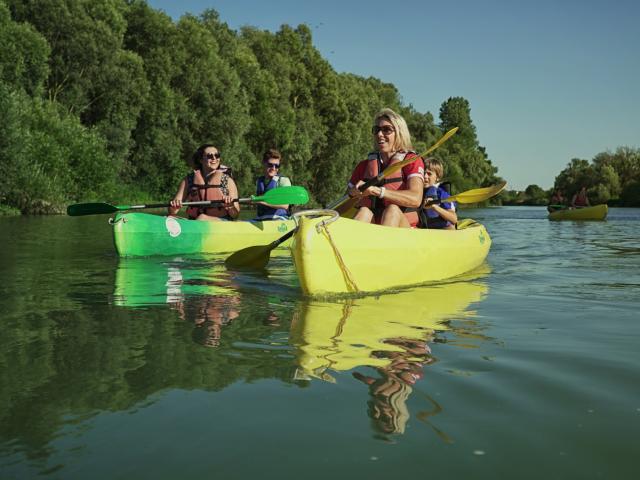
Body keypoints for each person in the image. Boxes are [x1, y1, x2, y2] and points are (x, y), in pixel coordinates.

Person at [346, 108, 424, 228]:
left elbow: (416, 199)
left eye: (386, 130)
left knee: (392, 210)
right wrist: (353, 194)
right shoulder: (363, 166)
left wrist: (378, 191)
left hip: (405, 229)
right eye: (376, 130)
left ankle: (384, 245)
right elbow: (344, 205)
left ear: (399, 133)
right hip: (375, 227)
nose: (379, 134)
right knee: (364, 212)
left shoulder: (412, 161)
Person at [169, 144, 240, 220]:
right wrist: (173, 207)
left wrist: (230, 206)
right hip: (195, 221)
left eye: (217, 155)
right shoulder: (189, 180)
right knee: (169, 218)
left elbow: (235, 215)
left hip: (222, 222)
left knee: (202, 218)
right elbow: (172, 212)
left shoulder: (227, 181)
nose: (214, 158)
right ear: (201, 160)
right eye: (209, 156)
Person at [419, 158, 457, 229]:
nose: (425, 176)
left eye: (429, 174)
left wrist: (434, 206)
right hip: (427, 231)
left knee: (450, 227)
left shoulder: (442, 194)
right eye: (423, 173)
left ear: (437, 178)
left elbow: (454, 219)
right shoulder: (417, 192)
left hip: (444, 230)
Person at [255, 148, 292, 220]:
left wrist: (262, 202)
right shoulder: (260, 181)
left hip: (279, 219)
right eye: (270, 165)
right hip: (261, 219)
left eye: (277, 166)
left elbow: (285, 205)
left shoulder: (283, 181)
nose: (273, 168)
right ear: (264, 163)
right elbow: (258, 202)